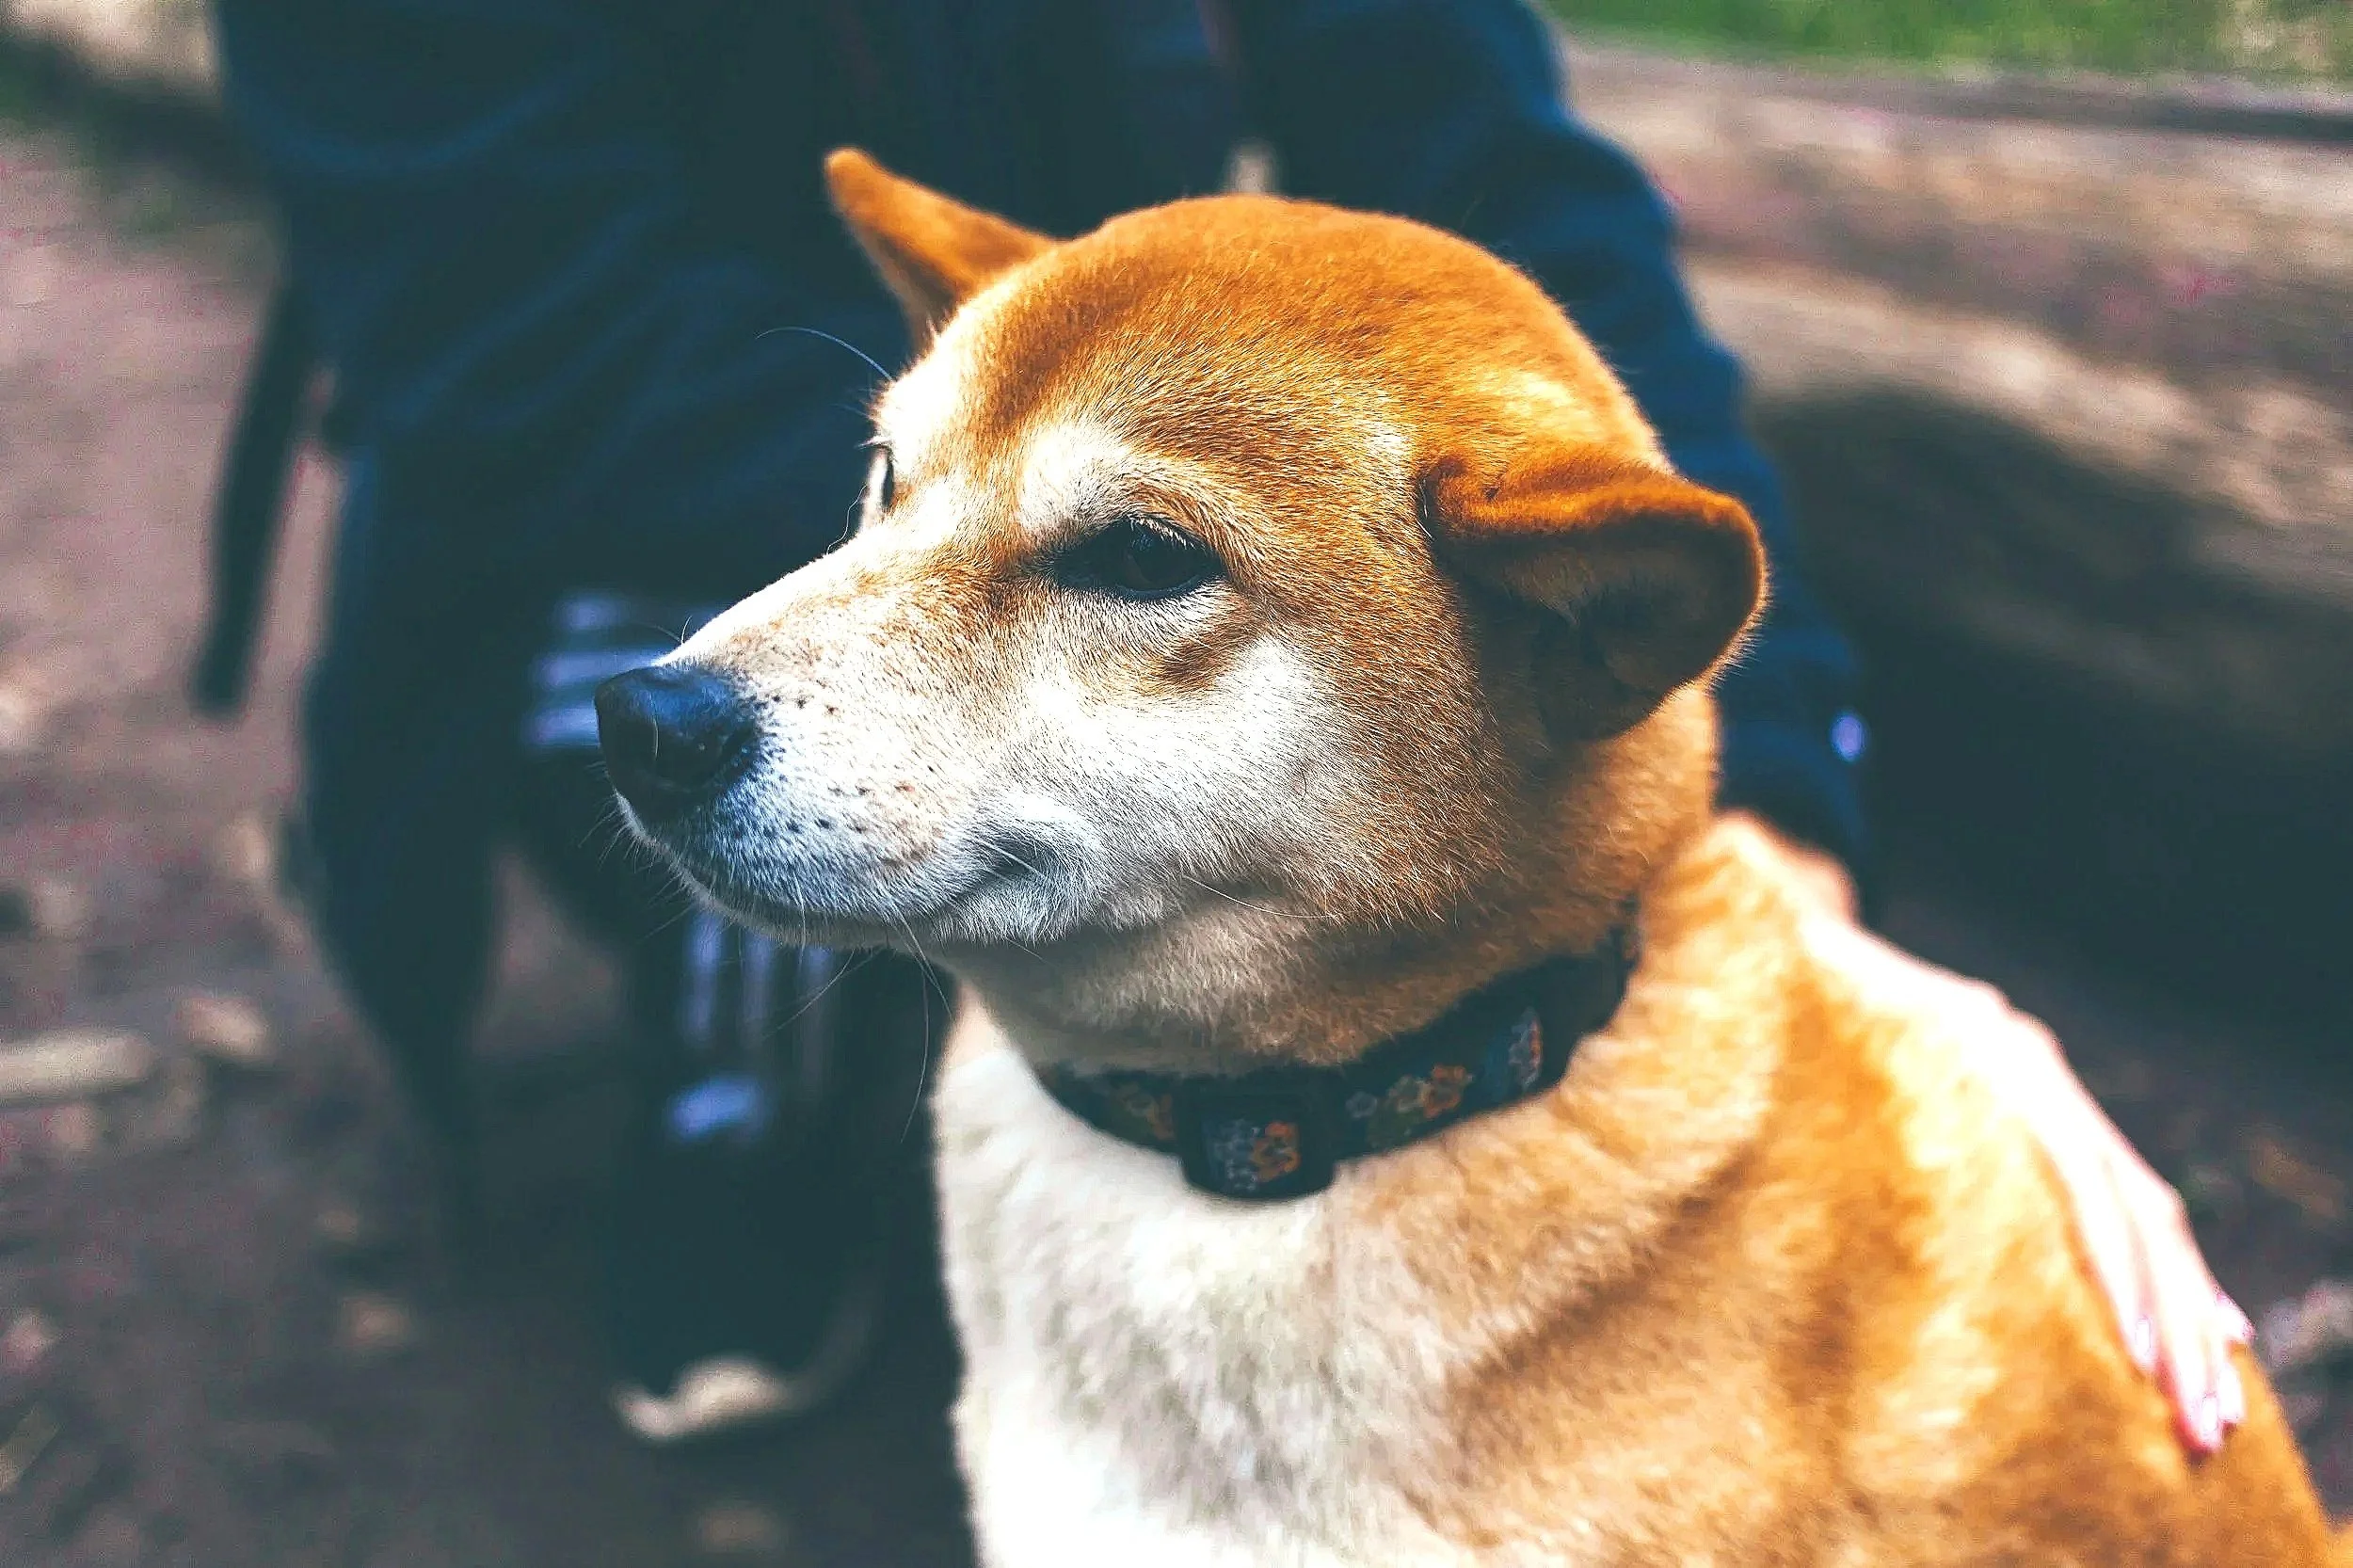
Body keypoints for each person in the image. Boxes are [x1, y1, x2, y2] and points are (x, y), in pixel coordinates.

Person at [207, 0, 2250, 1452]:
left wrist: (1776, 838)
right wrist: (1050, 473)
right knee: (750, 717)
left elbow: (1512, 221)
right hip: (627, 490)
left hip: (1079, 407)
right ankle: (728, 1091)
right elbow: (529, 351)